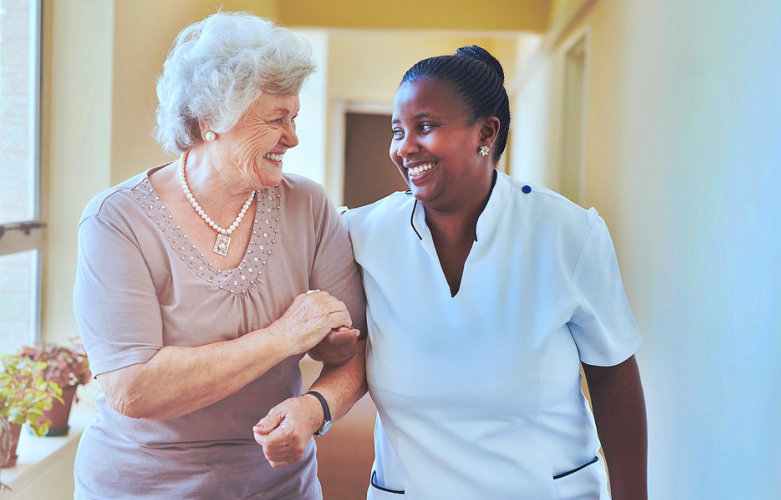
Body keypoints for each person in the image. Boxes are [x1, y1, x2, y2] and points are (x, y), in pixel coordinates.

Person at [252, 46, 649, 499]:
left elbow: (614, 376)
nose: (404, 148)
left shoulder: (567, 233)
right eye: (397, 130)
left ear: (486, 132)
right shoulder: (362, 234)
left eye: (425, 127)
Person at [71, 12, 366, 500]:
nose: (292, 137)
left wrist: (315, 406)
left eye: (294, 117)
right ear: (210, 121)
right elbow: (133, 388)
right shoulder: (116, 220)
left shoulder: (308, 206)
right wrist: (282, 337)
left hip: (279, 485)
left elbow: (355, 354)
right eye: (276, 119)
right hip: (142, 485)